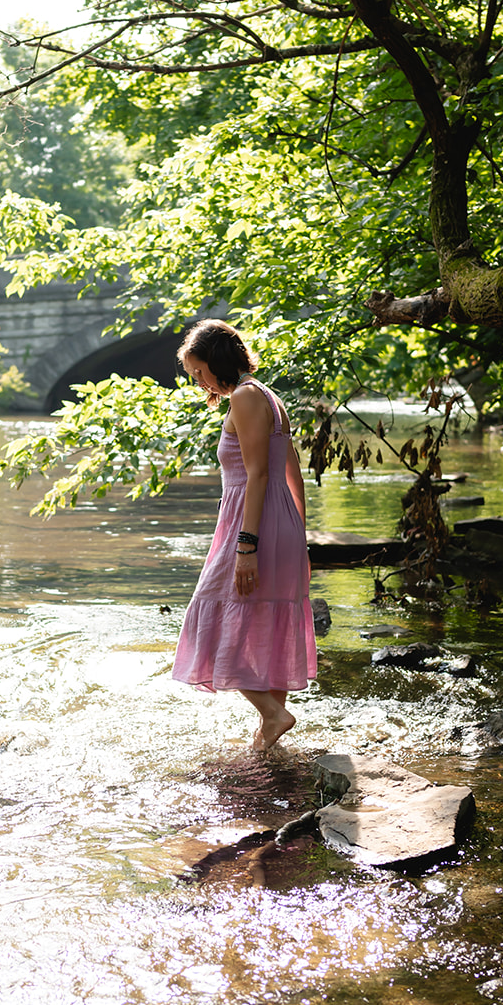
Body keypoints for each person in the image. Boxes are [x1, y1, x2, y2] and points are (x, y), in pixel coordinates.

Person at [171, 319, 317, 752]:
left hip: (253, 524)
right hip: (279, 523)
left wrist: (247, 546)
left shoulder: (245, 397)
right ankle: (269, 734)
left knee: (211, 619)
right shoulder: (267, 395)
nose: (199, 381)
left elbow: (258, 476)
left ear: (216, 360)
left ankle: (273, 714)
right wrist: (298, 537)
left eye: (199, 371)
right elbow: (294, 475)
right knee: (267, 621)